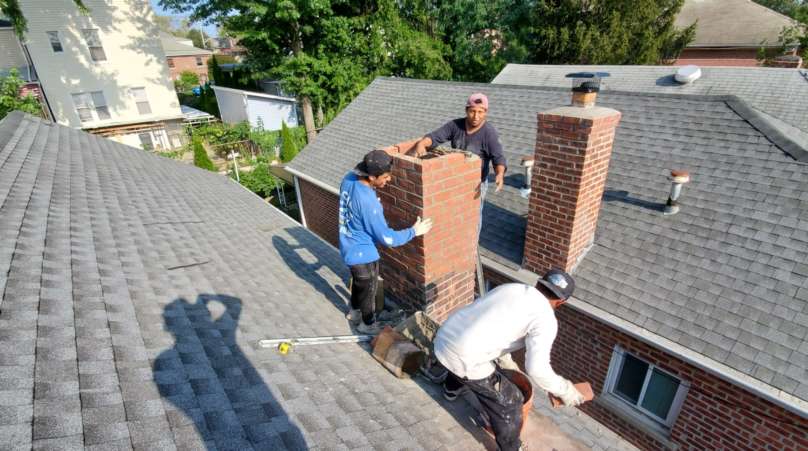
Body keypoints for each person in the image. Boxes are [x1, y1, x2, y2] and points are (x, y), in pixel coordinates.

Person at [433, 269, 588, 451]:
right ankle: (511, 447)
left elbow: (486, 323)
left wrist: (504, 358)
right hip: (462, 357)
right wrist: (566, 391)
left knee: (472, 359)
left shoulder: (510, 288)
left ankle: (450, 389)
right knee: (511, 401)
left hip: (443, 337)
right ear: (561, 302)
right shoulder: (545, 319)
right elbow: (537, 369)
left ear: (538, 283)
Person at [339, 149, 433, 333]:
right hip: (362, 254)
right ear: (372, 177)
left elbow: (354, 203)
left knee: (359, 284)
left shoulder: (349, 178)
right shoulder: (368, 203)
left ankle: (354, 313)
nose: (388, 180)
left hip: (348, 244)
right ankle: (367, 324)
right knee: (369, 288)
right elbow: (388, 238)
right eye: (386, 176)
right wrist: (414, 231)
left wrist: (370, 206)